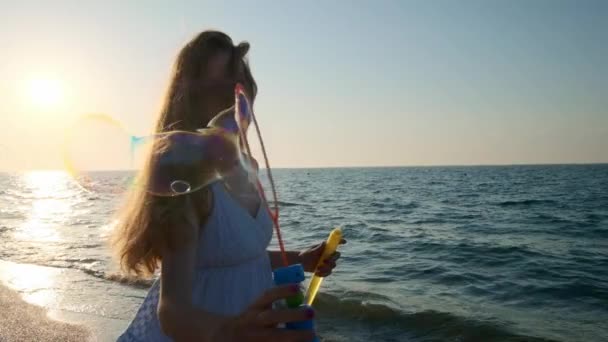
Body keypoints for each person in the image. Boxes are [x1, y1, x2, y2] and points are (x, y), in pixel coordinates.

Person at [113, 30, 344, 341]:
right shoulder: (183, 171)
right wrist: (229, 331)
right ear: (190, 96)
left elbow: (238, 255)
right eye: (218, 89)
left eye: (241, 84)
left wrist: (300, 259)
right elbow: (172, 311)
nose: (235, 97)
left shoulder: (248, 165)